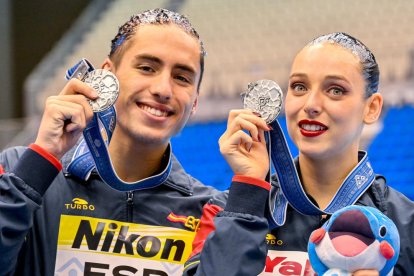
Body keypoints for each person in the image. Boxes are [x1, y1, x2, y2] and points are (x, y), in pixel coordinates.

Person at [0, 8, 270, 276]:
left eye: (182, 78)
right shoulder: (21, 172)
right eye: (146, 68)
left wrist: (248, 191)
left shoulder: (208, 212)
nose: (163, 90)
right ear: (107, 75)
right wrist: (40, 160)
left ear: (195, 101)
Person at [185, 32, 414, 275]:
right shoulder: (226, 209)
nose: (311, 104)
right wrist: (247, 198)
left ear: (372, 108)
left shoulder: (406, 223)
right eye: (299, 87)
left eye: (335, 90)